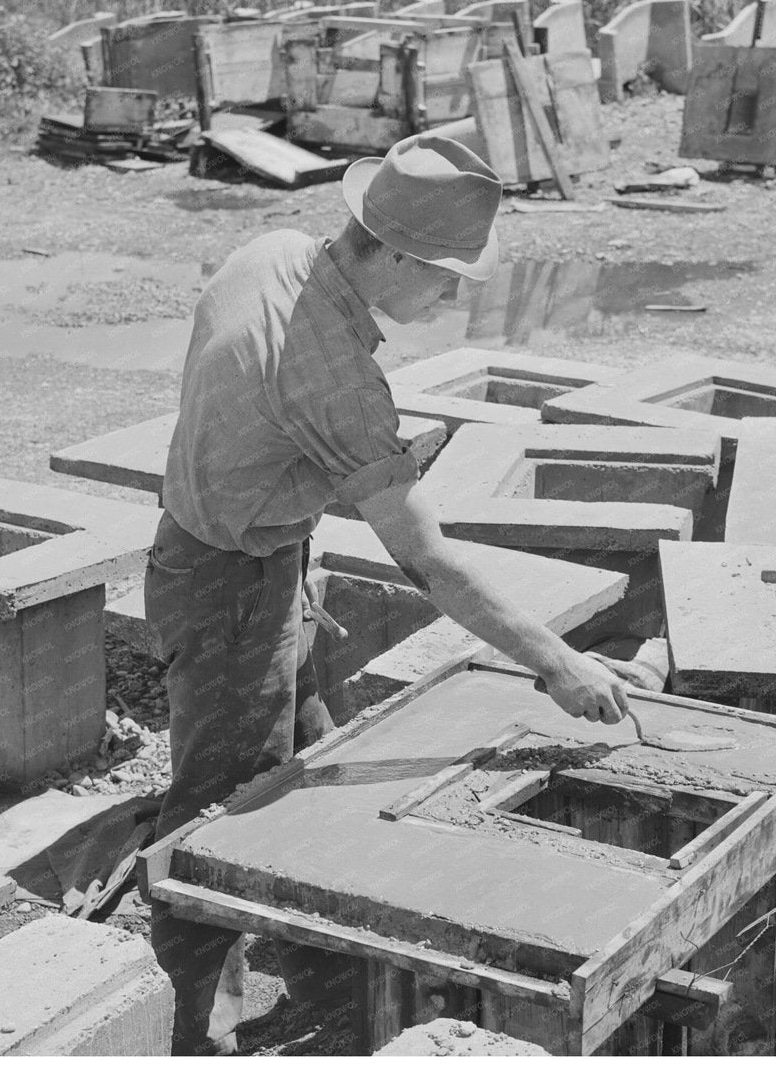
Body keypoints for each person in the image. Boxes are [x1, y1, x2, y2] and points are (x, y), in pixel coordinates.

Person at [144, 134, 638, 1055]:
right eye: (447, 278)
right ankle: (194, 1034)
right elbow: (430, 562)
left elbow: (250, 397)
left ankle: (324, 967)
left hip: (213, 549)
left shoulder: (278, 252)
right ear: (400, 254)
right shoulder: (336, 378)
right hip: (229, 589)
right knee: (217, 813)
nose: (450, 298)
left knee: (313, 756)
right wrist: (558, 663)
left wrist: (318, 468)